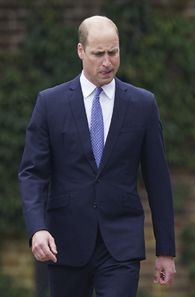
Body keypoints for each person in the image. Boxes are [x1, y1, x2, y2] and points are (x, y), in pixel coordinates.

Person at [18, 15, 176, 297]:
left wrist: (166, 250)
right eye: (98, 54)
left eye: (113, 52)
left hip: (121, 244)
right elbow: (33, 173)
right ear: (81, 51)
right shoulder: (50, 103)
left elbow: (158, 180)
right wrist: (37, 228)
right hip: (64, 241)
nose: (107, 62)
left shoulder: (142, 104)